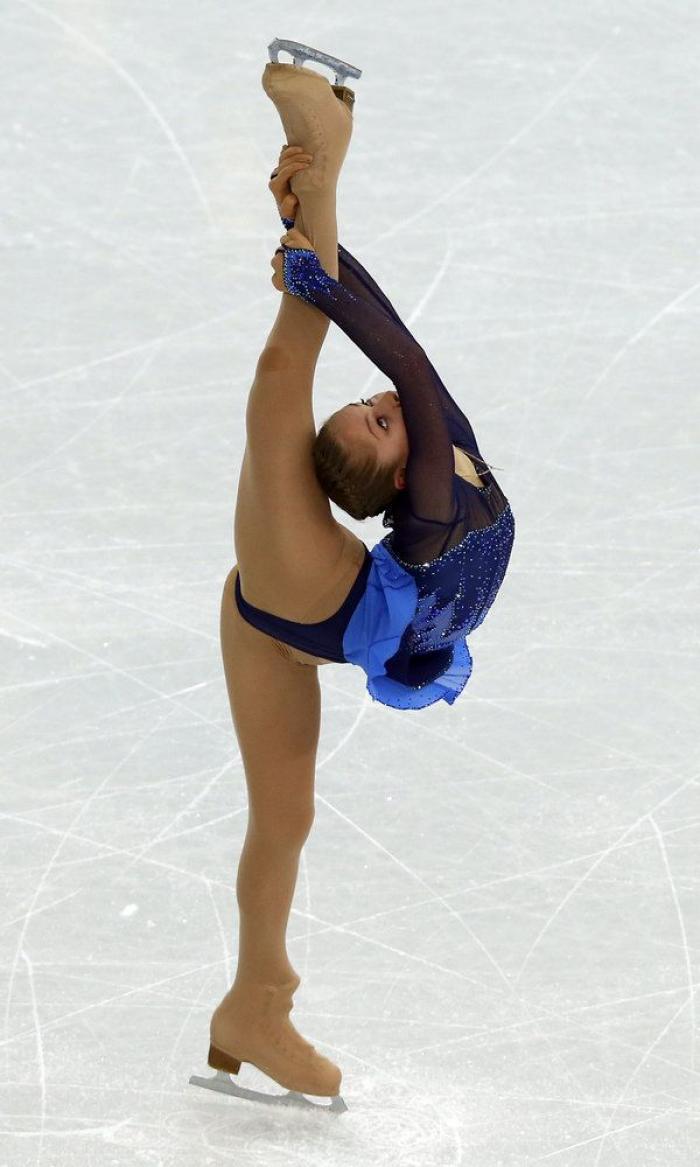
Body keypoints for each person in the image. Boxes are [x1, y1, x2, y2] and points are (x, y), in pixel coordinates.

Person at [204, 50, 514, 1111]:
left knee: (284, 824)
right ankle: (327, 150)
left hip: (289, 627)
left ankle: (257, 999)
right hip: (294, 604)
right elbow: (367, 366)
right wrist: (317, 213)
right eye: (373, 419)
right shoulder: (404, 500)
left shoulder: (431, 477)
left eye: (373, 412)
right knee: (282, 371)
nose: (381, 403)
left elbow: (405, 363)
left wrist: (318, 242)